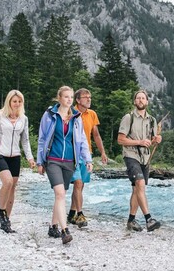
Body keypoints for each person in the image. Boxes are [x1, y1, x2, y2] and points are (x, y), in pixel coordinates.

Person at [36, 86, 93, 244]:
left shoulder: (76, 117)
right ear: (59, 98)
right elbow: (42, 139)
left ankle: (52, 226)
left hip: (69, 162)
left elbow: (81, 141)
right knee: (60, 193)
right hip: (53, 160)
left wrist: (87, 160)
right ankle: (64, 230)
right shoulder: (49, 115)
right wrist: (40, 161)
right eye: (65, 97)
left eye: (70, 97)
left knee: (60, 195)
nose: (68, 99)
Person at [0, 90, 36, 233]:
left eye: (19, 101)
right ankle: (1, 211)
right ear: (9, 102)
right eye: (14, 101)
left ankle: (6, 221)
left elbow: (25, 140)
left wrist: (30, 158)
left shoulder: (24, 119)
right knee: (8, 182)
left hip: (15, 156)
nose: (17, 104)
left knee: (13, 187)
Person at [117, 89, 162, 232]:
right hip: (131, 155)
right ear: (134, 101)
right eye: (138, 98)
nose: (141, 100)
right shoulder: (128, 118)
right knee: (140, 184)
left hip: (145, 158)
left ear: (147, 102)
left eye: (143, 98)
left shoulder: (152, 120)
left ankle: (131, 221)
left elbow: (152, 140)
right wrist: (140, 142)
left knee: (137, 189)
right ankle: (149, 219)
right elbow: (120, 139)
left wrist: (157, 140)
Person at [68, 88, 108, 228]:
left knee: (81, 185)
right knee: (78, 183)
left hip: (87, 154)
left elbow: (96, 135)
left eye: (90, 97)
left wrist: (102, 152)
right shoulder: (70, 113)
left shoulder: (92, 114)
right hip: (72, 153)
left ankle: (71, 214)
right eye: (85, 97)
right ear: (78, 100)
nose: (89, 99)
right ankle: (79, 214)